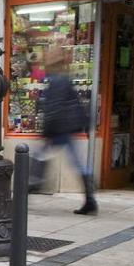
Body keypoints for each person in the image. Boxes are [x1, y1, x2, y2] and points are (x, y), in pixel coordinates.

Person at [36, 42, 97, 215]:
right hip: (66, 127)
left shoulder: (57, 80)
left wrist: (46, 130)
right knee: (76, 162)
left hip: (60, 127)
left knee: (39, 155)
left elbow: (54, 107)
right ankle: (90, 198)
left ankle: (31, 186)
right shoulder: (64, 78)